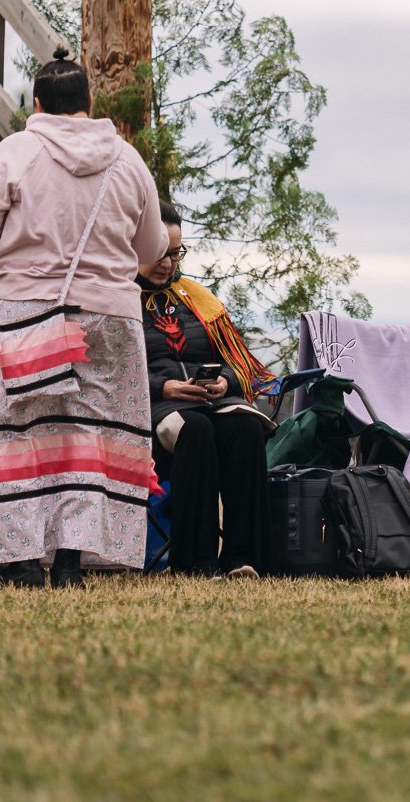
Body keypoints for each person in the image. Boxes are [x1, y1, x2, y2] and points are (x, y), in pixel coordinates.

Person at [0, 48, 166, 589]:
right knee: (88, 439)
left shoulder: (16, 152)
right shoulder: (127, 160)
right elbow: (152, 248)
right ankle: (71, 561)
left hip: (23, 314)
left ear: (37, 104)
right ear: (89, 101)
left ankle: (20, 560)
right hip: (109, 318)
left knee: (14, 433)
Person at [138, 203, 274, 577]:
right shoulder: (117, 299)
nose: (167, 263)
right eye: (159, 253)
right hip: (150, 411)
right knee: (196, 429)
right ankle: (195, 563)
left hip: (211, 403)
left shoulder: (197, 298)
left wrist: (225, 381)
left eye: (175, 253)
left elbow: (238, 361)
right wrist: (163, 387)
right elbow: (110, 371)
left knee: (245, 428)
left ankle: (243, 559)